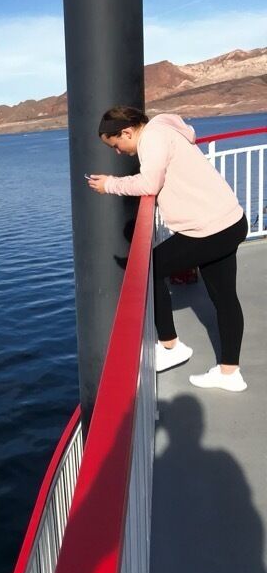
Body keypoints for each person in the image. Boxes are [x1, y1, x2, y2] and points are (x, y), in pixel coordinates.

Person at [87, 105, 249, 392]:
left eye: (116, 144)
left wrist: (110, 184)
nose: (118, 152)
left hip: (208, 228)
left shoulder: (153, 138)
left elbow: (149, 182)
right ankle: (229, 373)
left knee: (148, 269)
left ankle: (171, 346)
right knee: (224, 298)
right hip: (230, 221)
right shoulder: (166, 130)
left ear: (127, 132)